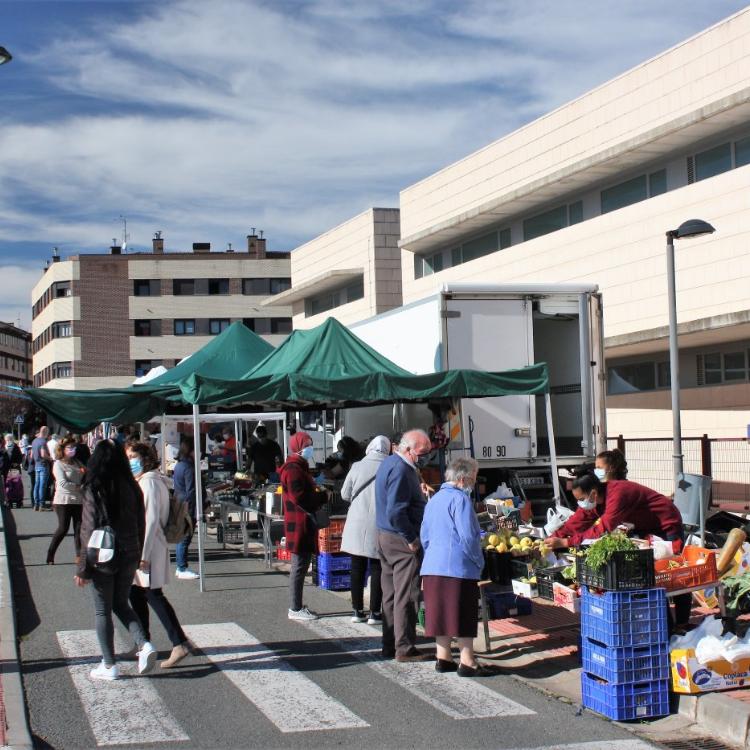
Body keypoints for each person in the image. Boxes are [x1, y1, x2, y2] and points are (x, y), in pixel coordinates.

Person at [74, 440, 157, 681]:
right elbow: (141, 523)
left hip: (103, 554)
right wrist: (138, 552)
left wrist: (82, 567)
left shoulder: (94, 486)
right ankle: (145, 644)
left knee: (102, 610)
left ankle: (109, 665)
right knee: (121, 603)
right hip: (129, 551)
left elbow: (87, 528)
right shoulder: (132, 486)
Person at [125, 441, 192, 669]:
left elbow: (151, 520)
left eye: (132, 457)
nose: (130, 462)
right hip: (146, 546)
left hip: (149, 547)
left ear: (143, 459)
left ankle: (179, 642)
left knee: (153, 595)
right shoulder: (146, 481)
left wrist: (142, 554)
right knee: (137, 594)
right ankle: (143, 642)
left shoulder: (149, 483)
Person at [421, 457, 489, 677]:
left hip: (432, 565)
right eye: (473, 478)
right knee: (463, 612)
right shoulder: (460, 500)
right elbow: (469, 537)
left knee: (440, 612)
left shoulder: (434, 499)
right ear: (463, 479)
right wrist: (479, 561)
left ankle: (444, 657)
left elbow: (425, 535)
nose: (474, 482)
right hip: (457, 567)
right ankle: (467, 661)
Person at [376, 428, 433, 662]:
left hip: (385, 537)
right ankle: (405, 647)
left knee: (390, 594)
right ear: (408, 449)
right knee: (407, 595)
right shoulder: (400, 469)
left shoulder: (390, 463)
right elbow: (396, 511)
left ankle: (390, 644)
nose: (425, 457)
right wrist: (411, 539)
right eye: (423, 452)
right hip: (399, 540)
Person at [340, 436, 389, 624]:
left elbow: (345, 494)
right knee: (377, 567)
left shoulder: (357, 466)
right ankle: (375, 613)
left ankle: (356, 611)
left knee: (356, 566)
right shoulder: (390, 465)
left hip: (357, 522)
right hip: (380, 522)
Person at [280, 431, 323, 621]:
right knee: (299, 566)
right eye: (307, 444)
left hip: (300, 522)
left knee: (301, 565)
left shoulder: (298, 467)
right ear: (298, 447)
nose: (309, 448)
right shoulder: (294, 469)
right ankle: (295, 608)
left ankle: (296, 606)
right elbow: (300, 497)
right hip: (299, 523)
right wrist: (322, 497)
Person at [46, 436, 85, 565]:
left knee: (79, 529)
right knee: (63, 528)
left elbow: (86, 473)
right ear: (62, 449)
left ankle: (79, 556)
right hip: (63, 500)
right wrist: (78, 486)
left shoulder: (77, 463)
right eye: (70, 448)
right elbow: (62, 482)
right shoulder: (58, 464)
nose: (72, 450)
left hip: (78, 500)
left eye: (74, 447)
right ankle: (50, 553)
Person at [172, 438, 199, 580]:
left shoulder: (179, 465)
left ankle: (180, 567)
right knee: (184, 538)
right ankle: (182, 567)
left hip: (179, 503)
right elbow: (191, 491)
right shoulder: (188, 467)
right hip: (187, 506)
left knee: (181, 538)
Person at [31, 426, 51, 511]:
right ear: (46, 432)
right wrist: (50, 458)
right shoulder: (43, 442)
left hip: (36, 465)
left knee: (37, 484)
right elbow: (43, 454)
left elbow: (31, 455)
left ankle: (36, 504)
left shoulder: (34, 441)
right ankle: (42, 505)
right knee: (42, 486)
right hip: (43, 464)